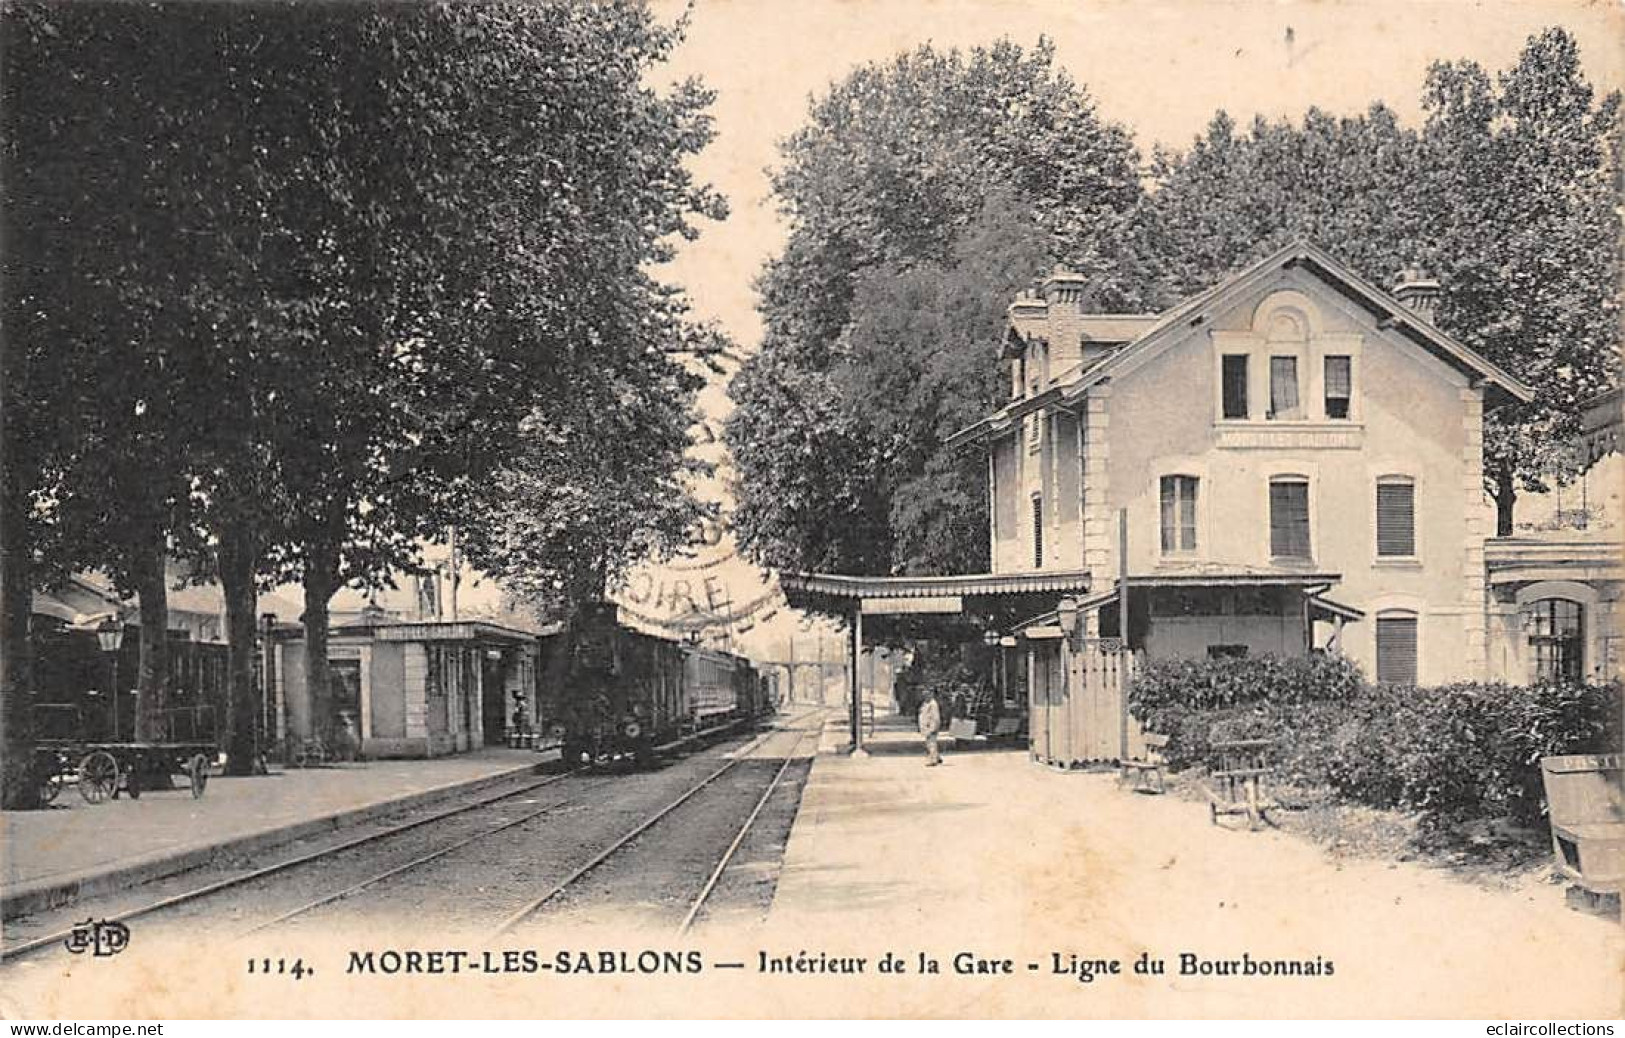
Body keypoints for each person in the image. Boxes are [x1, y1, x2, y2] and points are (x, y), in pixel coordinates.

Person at [918, 689, 943, 766]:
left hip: (931, 726)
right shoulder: (926, 703)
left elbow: (935, 717)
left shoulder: (933, 704)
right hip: (926, 726)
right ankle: (937, 757)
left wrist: (933, 728)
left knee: (931, 743)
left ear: (930, 695)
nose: (925, 697)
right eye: (924, 695)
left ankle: (933, 760)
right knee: (930, 742)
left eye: (926, 695)